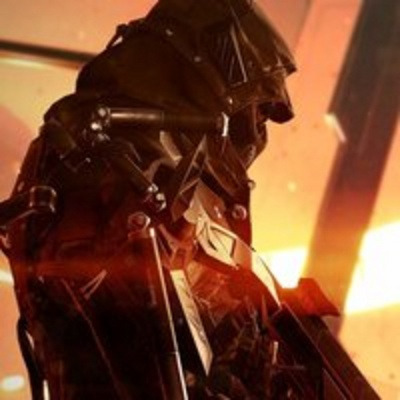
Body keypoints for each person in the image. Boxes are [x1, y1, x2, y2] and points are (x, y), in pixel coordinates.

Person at [5, 0, 300, 398]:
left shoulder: (164, 183)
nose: (258, 127)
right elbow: (137, 346)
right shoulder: (103, 169)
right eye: (256, 111)